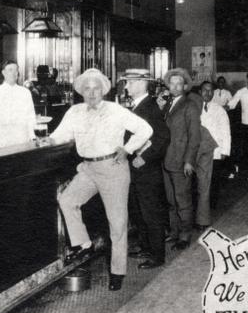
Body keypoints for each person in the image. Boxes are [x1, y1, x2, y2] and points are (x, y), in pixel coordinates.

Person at [51, 68, 153, 291]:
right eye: (87, 88)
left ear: (103, 90)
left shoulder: (115, 110)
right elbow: (59, 135)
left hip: (113, 169)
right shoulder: (75, 111)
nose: (91, 92)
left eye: (96, 88)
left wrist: (127, 149)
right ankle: (83, 243)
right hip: (88, 168)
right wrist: (41, 141)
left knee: (117, 223)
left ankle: (117, 272)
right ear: (81, 91)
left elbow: (145, 129)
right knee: (67, 200)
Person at [122, 69, 170, 270]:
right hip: (135, 169)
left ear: (141, 84)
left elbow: (162, 137)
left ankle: (157, 255)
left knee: (151, 213)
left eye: (129, 83)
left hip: (146, 170)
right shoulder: (138, 106)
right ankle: (146, 247)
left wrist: (144, 157)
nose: (126, 87)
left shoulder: (149, 107)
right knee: (139, 212)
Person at [159, 68, 201, 251]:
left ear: (185, 86)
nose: (175, 86)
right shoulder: (168, 104)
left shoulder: (189, 105)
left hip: (181, 159)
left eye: (179, 83)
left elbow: (195, 136)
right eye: (172, 83)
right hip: (166, 158)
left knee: (182, 200)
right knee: (170, 199)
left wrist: (189, 161)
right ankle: (174, 232)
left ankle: (185, 235)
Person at [0, 61, 37, 150]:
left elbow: (30, 118)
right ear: (3, 73)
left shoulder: (25, 93)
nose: (14, 73)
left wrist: (32, 137)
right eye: (10, 70)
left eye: (16, 70)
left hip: (21, 141)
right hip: (0, 142)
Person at [198, 81, 231, 223]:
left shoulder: (219, 109)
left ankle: (211, 207)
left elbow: (226, 131)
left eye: (210, 91)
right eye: (205, 90)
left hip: (215, 150)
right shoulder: (194, 108)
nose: (208, 93)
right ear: (200, 92)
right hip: (198, 151)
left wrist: (225, 150)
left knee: (214, 180)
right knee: (199, 181)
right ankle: (201, 207)